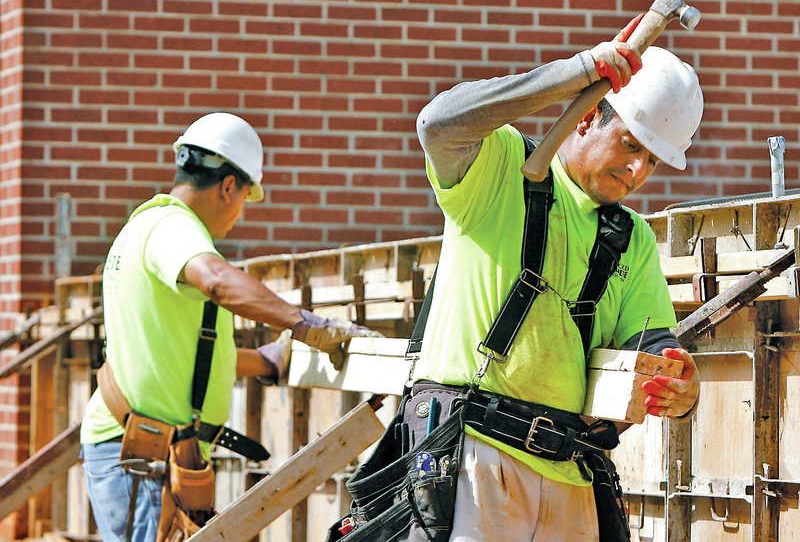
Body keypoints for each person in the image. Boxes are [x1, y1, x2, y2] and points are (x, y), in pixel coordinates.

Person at [407, 27, 703, 540]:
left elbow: (650, 342)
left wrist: (681, 385)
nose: (638, 171)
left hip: (571, 471)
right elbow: (437, 123)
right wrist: (580, 71)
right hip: (478, 458)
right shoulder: (497, 170)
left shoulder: (629, 237)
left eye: (652, 160)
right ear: (588, 116)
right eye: (631, 145)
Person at [80, 112, 379, 541]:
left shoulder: (142, 230)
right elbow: (218, 281)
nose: (239, 214)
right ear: (226, 187)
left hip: (145, 451)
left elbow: (173, 354)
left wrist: (264, 361)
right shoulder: (172, 227)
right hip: (142, 453)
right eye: (243, 198)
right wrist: (306, 323)